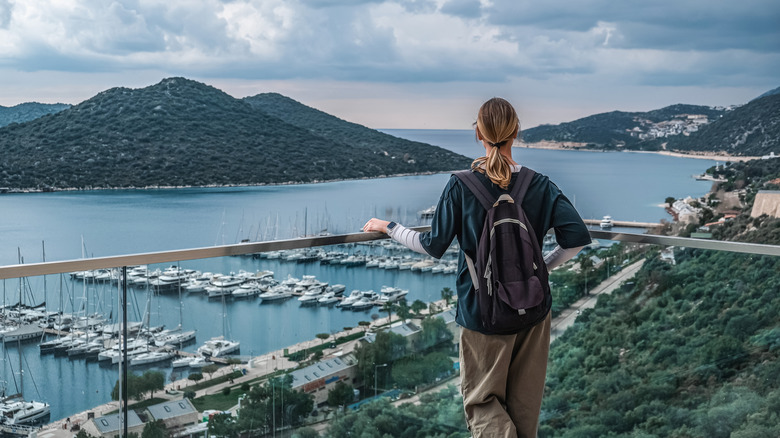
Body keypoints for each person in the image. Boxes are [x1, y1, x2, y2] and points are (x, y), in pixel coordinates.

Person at [363, 97, 591, 437]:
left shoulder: (462, 184)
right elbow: (575, 238)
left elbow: (432, 246)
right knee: (525, 406)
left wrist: (389, 227)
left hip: (482, 312)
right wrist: (539, 269)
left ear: (478, 135)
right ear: (516, 132)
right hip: (533, 309)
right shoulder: (539, 183)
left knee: (483, 402)